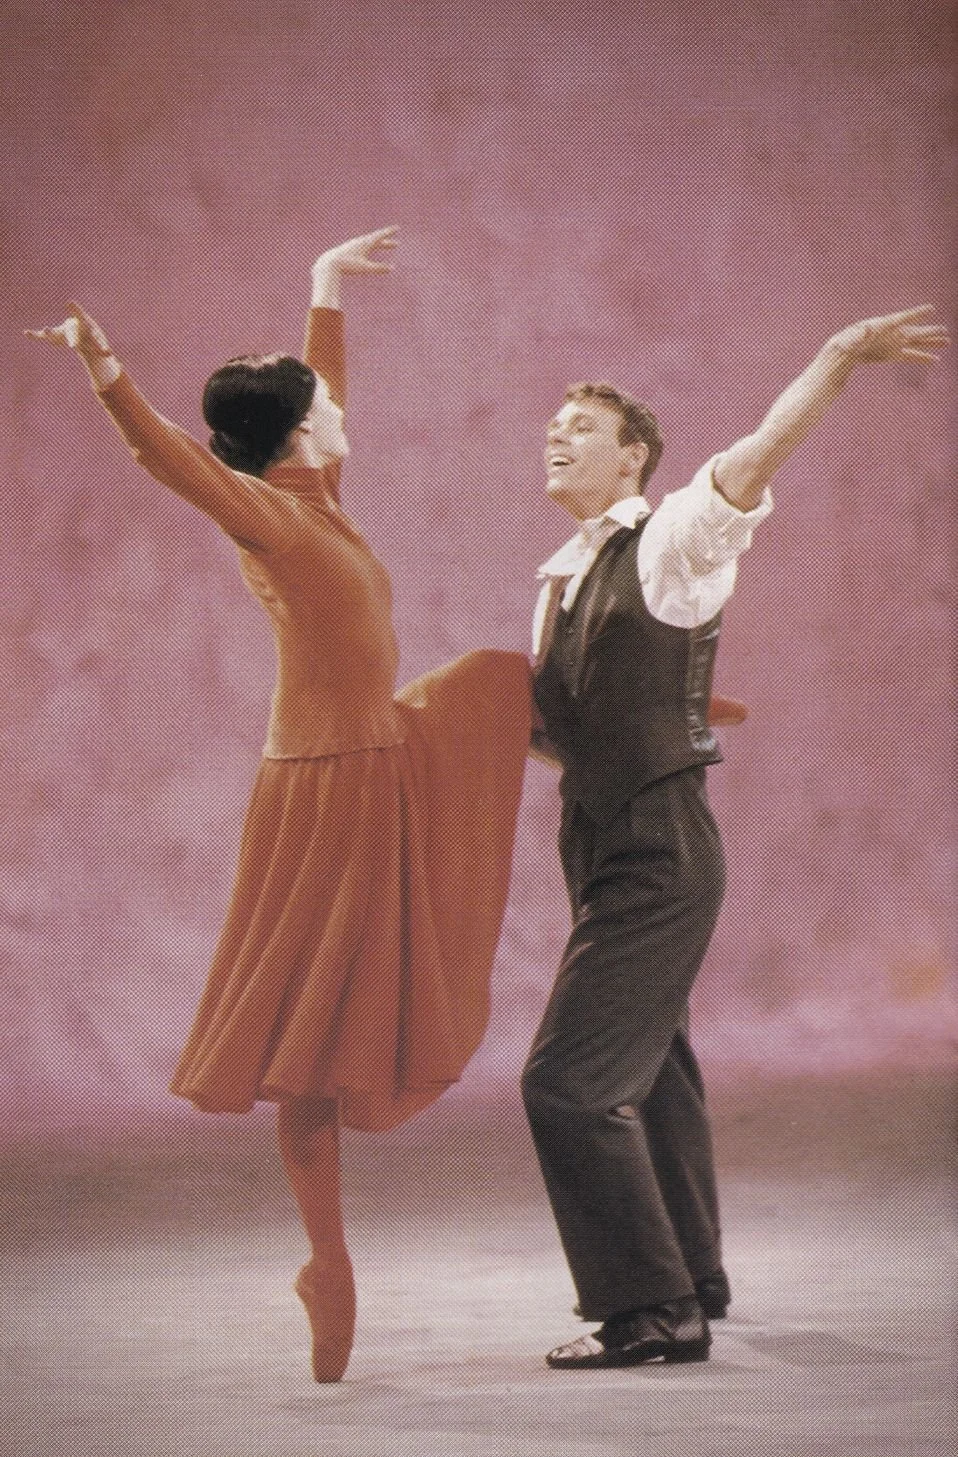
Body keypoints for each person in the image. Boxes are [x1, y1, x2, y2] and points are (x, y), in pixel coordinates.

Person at [27, 227, 533, 1383]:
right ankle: (328, 1261)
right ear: (300, 430)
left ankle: (651, 710)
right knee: (309, 1037)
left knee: (495, 680)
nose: (343, 410)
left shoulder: (320, 495)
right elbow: (169, 458)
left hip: (379, 754)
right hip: (322, 785)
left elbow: (322, 391)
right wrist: (107, 371)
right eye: (324, 406)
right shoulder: (266, 510)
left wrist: (323, 284)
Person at [521, 304, 948, 1369]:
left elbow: (757, 453)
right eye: (554, 424)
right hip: (598, 838)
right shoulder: (559, 576)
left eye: (582, 425)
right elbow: (573, 726)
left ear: (634, 456)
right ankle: (696, 1273)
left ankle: (652, 1310)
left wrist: (837, 357)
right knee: (652, 1059)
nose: (557, 435)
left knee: (567, 1082)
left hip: (659, 846)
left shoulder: (674, 539)